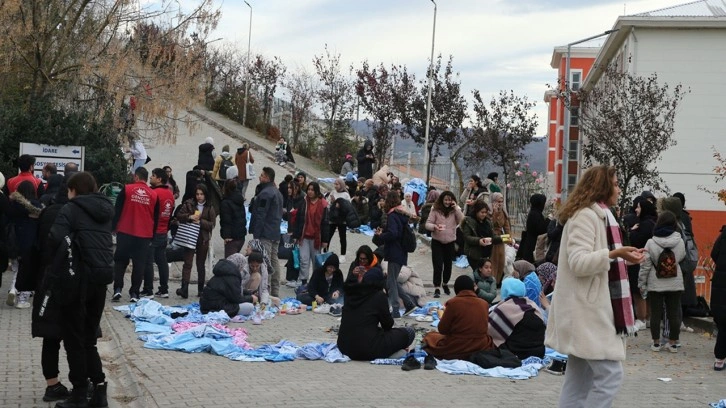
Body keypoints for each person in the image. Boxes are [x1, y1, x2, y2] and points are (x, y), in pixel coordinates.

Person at [545, 165, 645, 408]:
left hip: (588, 311)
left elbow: (599, 260)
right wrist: (614, 254)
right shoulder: (586, 216)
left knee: (578, 384)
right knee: (611, 376)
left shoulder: (599, 215)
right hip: (586, 312)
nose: (619, 189)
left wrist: (621, 256)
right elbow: (578, 262)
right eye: (616, 184)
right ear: (602, 186)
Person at [48, 171, 114, 408]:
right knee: (89, 339)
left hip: (77, 280)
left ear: (74, 190)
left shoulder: (71, 208)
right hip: (101, 280)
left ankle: (78, 393)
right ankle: (99, 390)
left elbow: (55, 237)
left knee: (74, 339)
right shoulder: (105, 210)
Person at [32, 175, 71, 402]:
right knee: (77, 336)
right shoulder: (77, 214)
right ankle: (81, 381)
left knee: (50, 336)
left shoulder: (48, 212)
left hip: (47, 279)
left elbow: (38, 246)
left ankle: (52, 384)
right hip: (72, 280)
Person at [337, 267, 414, 361]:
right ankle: (391, 353)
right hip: (367, 349)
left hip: (344, 346)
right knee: (410, 332)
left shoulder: (350, 293)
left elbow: (348, 285)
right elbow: (388, 325)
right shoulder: (378, 296)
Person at [638, 210, 685, 353]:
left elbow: (645, 264)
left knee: (656, 314)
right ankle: (672, 343)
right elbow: (681, 257)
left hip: (655, 281)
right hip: (675, 281)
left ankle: (656, 343)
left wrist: (642, 283)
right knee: (673, 314)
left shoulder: (651, 242)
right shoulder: (680, 241)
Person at [111, 167, 159, 302]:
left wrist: (113, 227)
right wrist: (153, 236)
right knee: (139, 265)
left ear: (136, 177)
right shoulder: (154, 195)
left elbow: (117, 209)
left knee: (120, 261)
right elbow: (155, 218)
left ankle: (117, 289)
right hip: (144, 235)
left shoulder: (127, 189)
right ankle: (134, 293)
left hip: (125, 232)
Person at [422, 275, 495, 360]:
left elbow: (442, 329)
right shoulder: (484, 303)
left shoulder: (453, 303)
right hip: (480, 345)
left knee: (430, 337)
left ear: (457, 289)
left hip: (458, 345)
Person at [6, 180, 42, 309]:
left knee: (17, 269)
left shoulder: (13, 204)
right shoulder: (36, 206)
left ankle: (13, 289)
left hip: (14, 242)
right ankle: (22, 299)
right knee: (27, 271)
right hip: (30, 242)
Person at [175, 183, 216, 298]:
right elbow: (179, 215)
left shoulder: (210, 207)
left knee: (200, 264)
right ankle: (184, 288)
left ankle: (200, 289)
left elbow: (212, 225)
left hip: (202, 238)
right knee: (187, 263)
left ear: (205, 195)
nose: (199, 196)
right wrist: (189, 217)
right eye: (197, 194)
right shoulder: (189, 203)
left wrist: (201, 222)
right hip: (189, 236)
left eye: (201, 194)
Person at [489, 277, 546, 359]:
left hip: (517, 352)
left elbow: (490, 331)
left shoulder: (504, 308)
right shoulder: (532, 305)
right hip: (539, 351)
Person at [374, 191, 410, 318]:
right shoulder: (401, 214)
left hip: (395, 251)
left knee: (391, 281)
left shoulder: (393, 215)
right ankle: (409, 303)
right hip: (401, 251)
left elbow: (393, 233)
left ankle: (395, 308)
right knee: (392, 281)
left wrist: (381, 235)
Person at [249, 167, 283, 297]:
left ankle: (265, 293)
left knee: (265, 263)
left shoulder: (265, 194)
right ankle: (275, 292)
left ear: (267, 178)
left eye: (262, 175)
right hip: (275, 232)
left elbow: (260, 215)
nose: (260, 177)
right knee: (274, 261)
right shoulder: (278, 193)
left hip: (265, 233)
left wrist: (256, 236)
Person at [425, 191, 464, 298]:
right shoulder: (435, 210)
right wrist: (434, 227)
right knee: (437, 264)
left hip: (450, 242)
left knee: (448, 265)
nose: (447, 202)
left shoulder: (455, 210)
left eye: (449, 200)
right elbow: (427, 224)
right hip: (437, 241)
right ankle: (437, 287)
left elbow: (463, 221)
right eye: (445, 200)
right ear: (442, 200)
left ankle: (445, 283)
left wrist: (456, 208)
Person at [290, 182, 329, 288]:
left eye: (312, 190)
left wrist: (325, 240)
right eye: (308, 189)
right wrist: (295, 236)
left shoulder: (323, 204)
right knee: (304, 260)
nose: (310, 192)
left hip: (317, 238)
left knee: (316, 261)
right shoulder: (304, 202)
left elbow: (325, 223)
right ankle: (303, 282)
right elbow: (298, 220)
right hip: (304, 237)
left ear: (317, 191)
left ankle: (315, 282)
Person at [143, 168, 175, 298]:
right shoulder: (170, 194)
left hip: (153, 232)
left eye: (153, 176)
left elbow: (150, 213)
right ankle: (164, 289)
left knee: (148, 261)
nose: (151, 178)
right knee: (162, 261)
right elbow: (170, 213)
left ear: (159, 179)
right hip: (163, 232)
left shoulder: (154, 193)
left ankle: (148, 289)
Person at [627, 197, 657, 331]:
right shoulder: (653, 222)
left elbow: (637, 240)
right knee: (645, 292)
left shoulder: (645, 225)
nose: (636, 209)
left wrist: (632, 231)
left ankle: (641, 318)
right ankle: (648, 317)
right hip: (647, 262)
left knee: (638, 290)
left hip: (640, 261)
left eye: (639, 207)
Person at [461, 199, 502, 276]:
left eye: (485, 212)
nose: (484, 214)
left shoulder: (487, 222)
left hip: (486, 253)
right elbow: (467, 237)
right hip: (474, 254)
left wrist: (502, 238)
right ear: (476, 211)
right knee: (478, 274)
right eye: (482, 212)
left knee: (484, 275)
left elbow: (492, 237)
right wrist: (479, 241)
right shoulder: (469, 221)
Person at [709, 224, 726, 371]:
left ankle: (719, 360)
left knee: (723, 326)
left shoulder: (723, 235)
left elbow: (714, 253)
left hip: (721, 284)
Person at [327, 178, 354, 263]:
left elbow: (348, 206)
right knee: (328, 235)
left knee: (342, 237)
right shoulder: (332, 193)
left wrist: (339, 205)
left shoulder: (345, 195)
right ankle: (325, 251)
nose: (335, 186)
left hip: (342, 219)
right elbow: (328, 204)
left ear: (341, 185)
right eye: (334, 184)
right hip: (333, 218)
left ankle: (342, 255)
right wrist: (331, 203)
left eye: (337, 184)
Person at [518, 193, 548, 264]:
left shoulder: (535, 213)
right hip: (532, 246)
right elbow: (541, 229)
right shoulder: (535, 215)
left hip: (531, 244)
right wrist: (548, 221)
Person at [220, 179, 247, 258]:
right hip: (241, 236)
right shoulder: (239, 200)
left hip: (231, 238)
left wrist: (226, 236)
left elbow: (226, 221)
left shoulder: (226, 203)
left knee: (230, 265)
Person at [490, 192, 511, 284]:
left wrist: (509, 238)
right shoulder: (489, 211)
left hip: (501, 238)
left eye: (502, 201)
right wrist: (495, 212)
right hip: (492, 237)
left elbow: (506, 226)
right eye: (498, 201)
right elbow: (491, 223)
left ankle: (497, 281)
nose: (500, 203)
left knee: (501, 261)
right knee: (493, 261)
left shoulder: (503, 212)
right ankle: (492, 281)